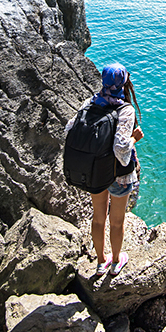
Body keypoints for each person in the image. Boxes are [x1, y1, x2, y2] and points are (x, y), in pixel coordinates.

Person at [64, 62, 144, 276]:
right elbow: (120, 148)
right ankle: (116, 261)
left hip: (95, 170)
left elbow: (69, 129)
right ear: (123, 83)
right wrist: (134, 139)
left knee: (98, 217)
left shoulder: (90, 103)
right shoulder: (125, 109)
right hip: (119, 175)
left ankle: (101, 262)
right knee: (117, 222)